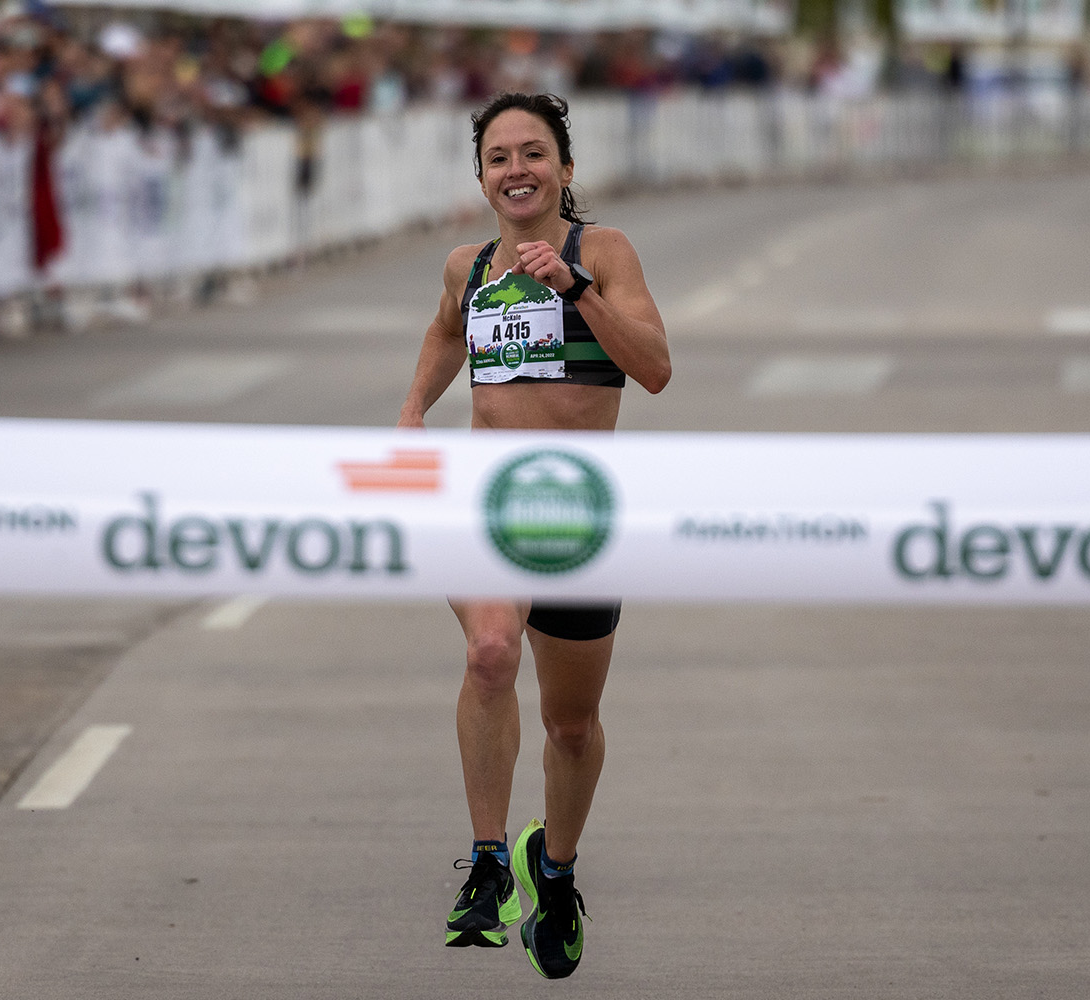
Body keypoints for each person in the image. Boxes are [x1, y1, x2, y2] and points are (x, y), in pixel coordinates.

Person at [396, 91, 669, 980]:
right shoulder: (467, 265)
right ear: (481, 177)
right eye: (499, 157)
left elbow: (655, 370)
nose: (516, 170)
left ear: (565, 169)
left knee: (574, 726)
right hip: (485, 501)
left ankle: (553, 870)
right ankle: (484, 864)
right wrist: (410, 418)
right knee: (488, 654)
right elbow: (444, 336)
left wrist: (576, 289)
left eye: (533, 153)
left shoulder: (605, 251)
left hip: (581, 514)